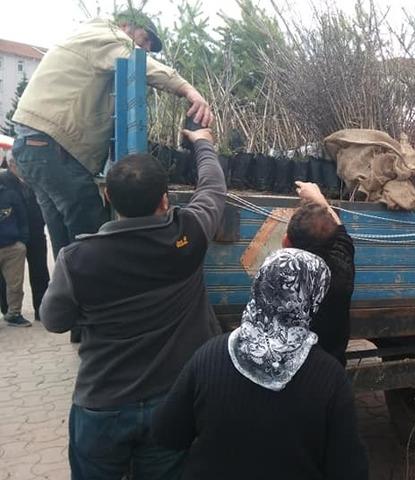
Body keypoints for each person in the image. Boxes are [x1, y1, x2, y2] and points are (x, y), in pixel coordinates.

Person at [40, 128, 225, 480]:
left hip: (102, 406)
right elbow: (213, 188)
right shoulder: (188, 234)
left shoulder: (77, 259)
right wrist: (202, 143)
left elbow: (54, 320)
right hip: (169, 404)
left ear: (107, 195)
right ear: (165, 200)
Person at [11, 8, 213, 261]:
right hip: (51, 145)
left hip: (35, 146)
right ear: (127, 25)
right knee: (92, 229)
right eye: (147, 37)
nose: (147, 47)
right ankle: (101, 294)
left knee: (65, 236)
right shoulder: (106, 35)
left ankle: (67, 293)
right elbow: (141, 64)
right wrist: (189, 91)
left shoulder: (87, 37)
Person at [152, 248, 369, 480]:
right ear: (314, 297)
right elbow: (350, 470)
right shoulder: (329, 377)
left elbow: (167, 433)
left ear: (260, 285)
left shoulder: (209, 356)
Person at [282, 181, 355, 366]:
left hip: (292, 369)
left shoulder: (280, 278)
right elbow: (342, 235)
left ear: (286, 243)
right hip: (331, 367)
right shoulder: (342, 271)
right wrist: (320, 199)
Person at [0, 155, 49, 322]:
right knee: (8, 276)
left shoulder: (34, 176)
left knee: (40, 271)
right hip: (12, 237)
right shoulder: (3, 180)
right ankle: (9, 311)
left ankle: (41, 310)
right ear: (12, 164)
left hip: (36, 232)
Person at [0, 165, 30, 327]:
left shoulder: (10, 195)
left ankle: (14, 313)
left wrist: (21, 241)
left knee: (15, 284)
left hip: (12, 247)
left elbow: (22, 217)